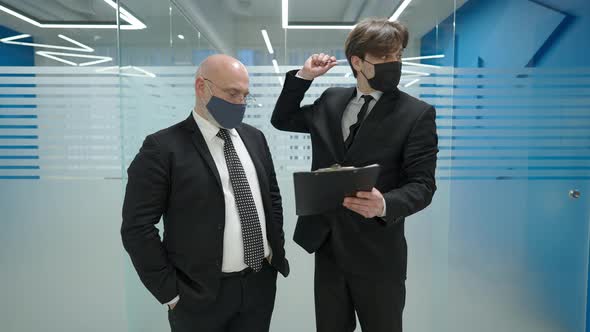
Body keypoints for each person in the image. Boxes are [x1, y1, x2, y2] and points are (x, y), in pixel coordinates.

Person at [271, 18, 438, 332]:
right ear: (357, 62)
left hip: (378, 252)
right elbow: (283, 119)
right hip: (328, 243)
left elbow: (423, 184)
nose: (394, 64)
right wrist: (304, 77)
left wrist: (385, 204)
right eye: (385, 57)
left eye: (398, 56)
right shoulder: (332, 99)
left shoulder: (417, 114)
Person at [122, 54, 289, 332]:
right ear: (202, 87)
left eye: (245, 95)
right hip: (198, 296)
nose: (240, 103)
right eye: (232, 93)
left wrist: (274, 254)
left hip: (258, 284)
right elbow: (137, 227)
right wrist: (170, 293)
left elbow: (271, 199)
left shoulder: (254, 138)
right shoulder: (163, 148)